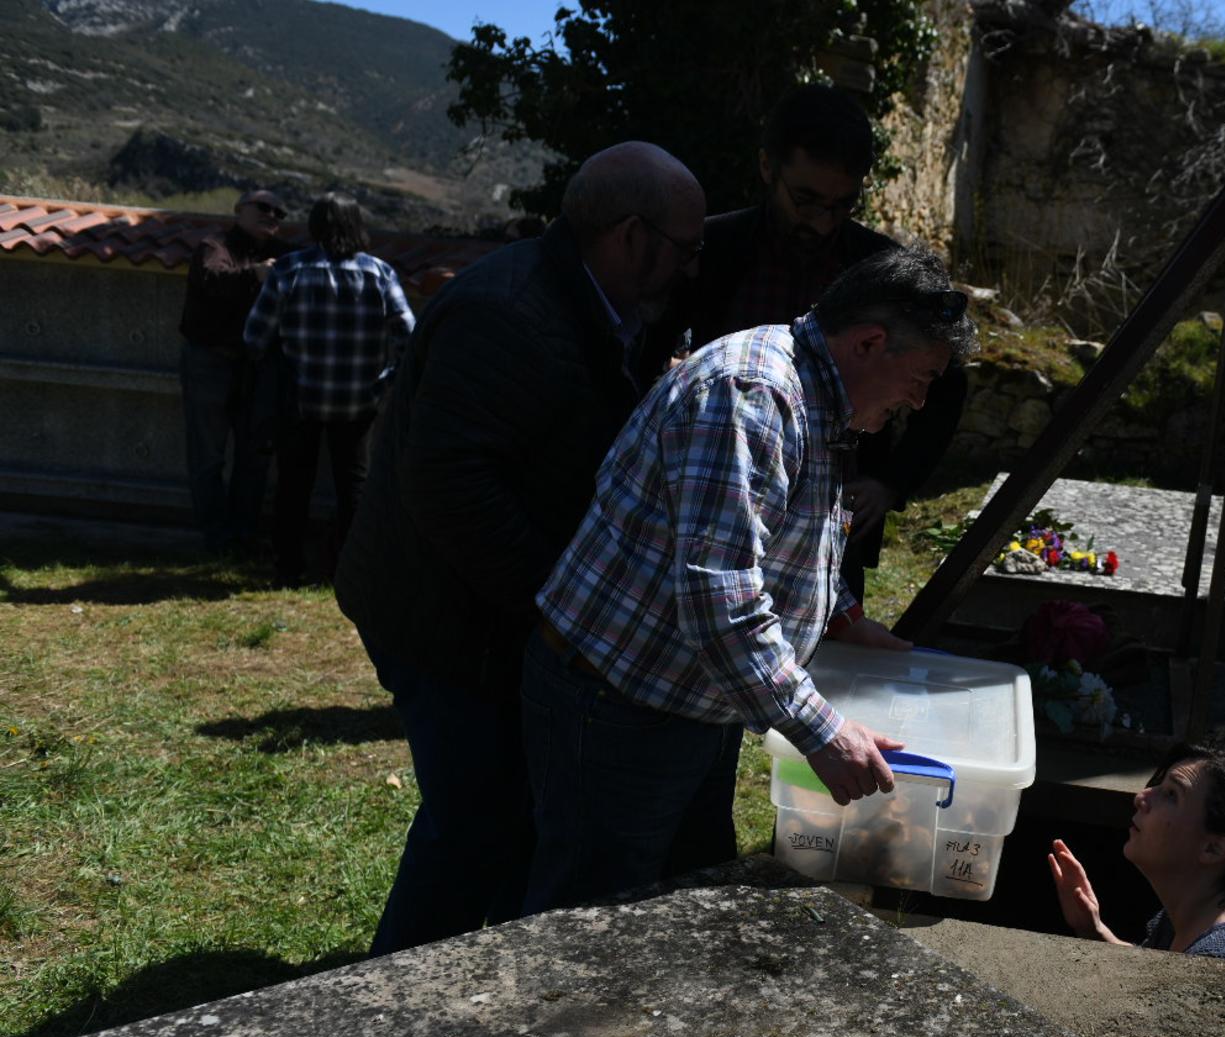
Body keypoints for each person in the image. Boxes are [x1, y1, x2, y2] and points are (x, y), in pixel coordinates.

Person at [521, 245, 977, 915]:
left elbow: (784, 534)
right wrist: (823, 731)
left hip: (687, 699)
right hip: (617, 703)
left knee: (682, 890)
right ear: (871, 342)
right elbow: (719, 594)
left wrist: (843, 616)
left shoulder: (815, 397)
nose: (920, 399)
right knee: (593, 913)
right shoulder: (751, 394)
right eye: (922, 376)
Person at [334, 143, 706, 956]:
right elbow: (449, 487)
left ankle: (479, 967)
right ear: (632, 237)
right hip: (439, 613)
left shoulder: (609, 303)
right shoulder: (506, 311)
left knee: (510, 811)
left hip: (489, 608)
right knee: (475, 815)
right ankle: (391, 997)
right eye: (685, 246)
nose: (692, 267)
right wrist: (557, 609)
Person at [661, 83, 969, 604]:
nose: (822, 223)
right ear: (767, 167)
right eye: (805, 201)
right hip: (711, 500)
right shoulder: (711, 252)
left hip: (835, 522)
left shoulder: (880, 269)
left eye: (841, 206)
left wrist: (890, 482)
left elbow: (945, 384)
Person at [243, 192, 416, 586]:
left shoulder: (288, 270)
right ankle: (350, 571)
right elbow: (410, 337)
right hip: (359, 399)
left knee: (293, 485)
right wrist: (385, 381)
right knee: (353, 485)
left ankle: (288, 569)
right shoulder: (379, 274)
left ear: (316, 226)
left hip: (300, 399)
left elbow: (254, 338)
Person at [1047, 744, 1225, 966]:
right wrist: (1093, 929)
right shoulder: (1182, 920)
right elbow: (1150, 969)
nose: (1142, 797)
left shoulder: (1219, 961)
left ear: (1213, 848)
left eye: (1172, 794)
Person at [176, 188, 294, 555]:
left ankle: (242, 534)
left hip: (258, 365)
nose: (272, 215)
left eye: (279, 212)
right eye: (263, 207)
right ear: (239, 209)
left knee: (255, 454)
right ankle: (217, 536)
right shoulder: (216, 246)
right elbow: (212, 278)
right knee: (208, 453)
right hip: (210, 360)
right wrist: (255, 275)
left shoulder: (284, 256)